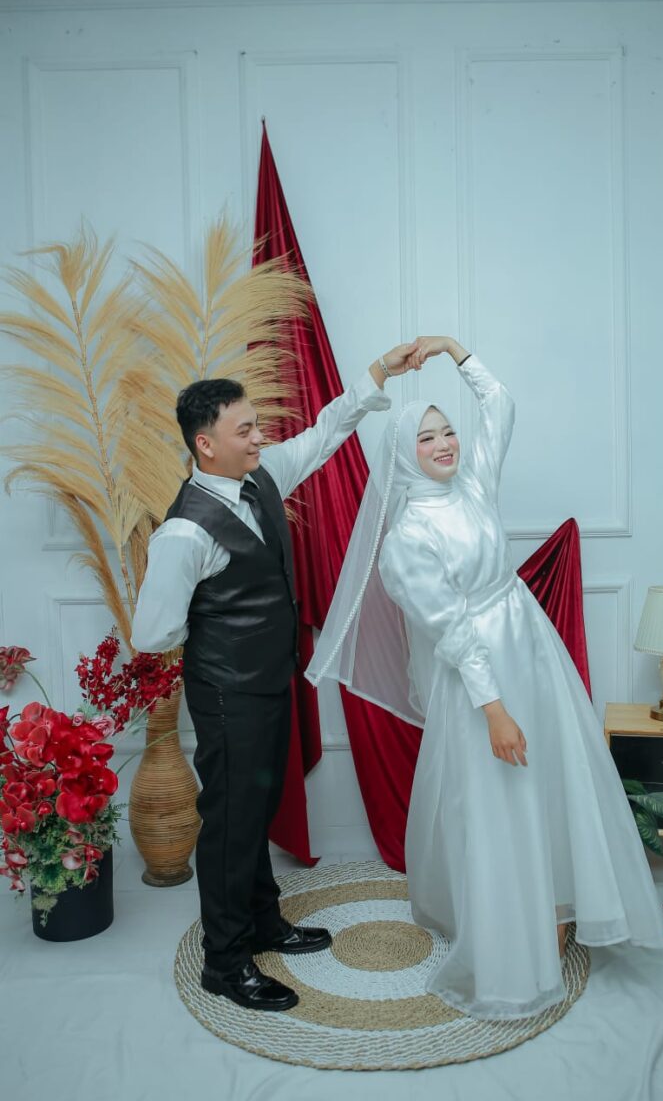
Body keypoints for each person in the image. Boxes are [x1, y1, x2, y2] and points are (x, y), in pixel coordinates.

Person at [307, 335, 663, 1021]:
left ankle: (557, 900)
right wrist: (495, 709)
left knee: (549, 774)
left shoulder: (472, 485)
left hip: (530, 648)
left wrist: (456, 352)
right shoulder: (406, 541)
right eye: (427, 438)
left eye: (448, 432)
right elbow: (451, 632)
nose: (445, 444)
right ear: (403, 456)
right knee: (497, 791)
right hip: (479, 677)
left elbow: (500, 405)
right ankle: (510, 920)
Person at [131, 341, 416, 1011]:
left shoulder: (261, 475)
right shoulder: (183, 534)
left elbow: (323, 434)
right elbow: (152, 634)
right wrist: (222, 640)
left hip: (267, 685)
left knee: (253, 810)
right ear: (205, 445)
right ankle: (225, 963)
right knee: (230, 823)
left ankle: (262, 921)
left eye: (257, 425)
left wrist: (379, 373)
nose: (260, 437)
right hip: (226, 696)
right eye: (245, 430)